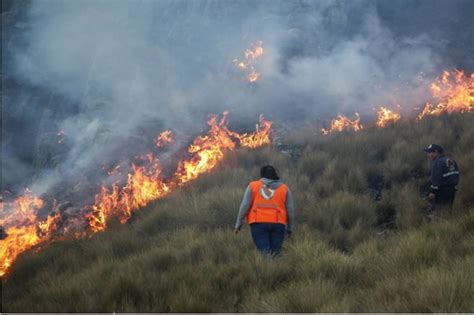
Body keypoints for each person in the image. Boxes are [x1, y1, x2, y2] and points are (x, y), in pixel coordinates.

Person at [234, 165, 295, 256]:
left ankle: (268, 268)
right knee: (275, 253)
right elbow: (290, 210)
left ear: (262, 175)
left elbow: (245, 205)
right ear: (275, 174)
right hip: (278, 224)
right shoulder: (284, 188)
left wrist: (238, 223)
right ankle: (277, 269)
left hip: (258, 223)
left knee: (265, 252)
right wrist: (290, 228)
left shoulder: (253, 186)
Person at [424, 144, 460, 215]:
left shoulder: (438, 162)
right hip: (451, 191)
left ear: (436, 152)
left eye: (430, 152)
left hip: (441, 192)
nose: (428, 155)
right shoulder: (451, 160)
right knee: (448, 212)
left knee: (440, 214)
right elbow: (456, 175)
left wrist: (432, 192)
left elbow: (436, 179)